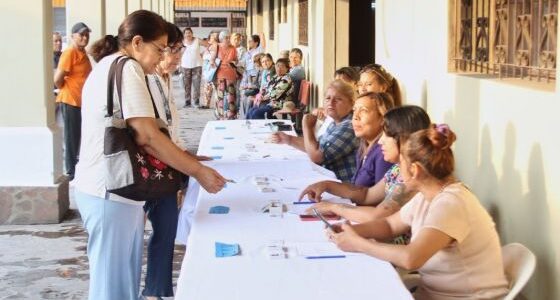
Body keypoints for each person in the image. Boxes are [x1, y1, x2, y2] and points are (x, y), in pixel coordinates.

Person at [76, 10, 226, 300]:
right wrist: (197, 171)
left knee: (122, 283)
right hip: (108, 191)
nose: (162, 57)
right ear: (137, 42)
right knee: (112, 288)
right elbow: (147, 135)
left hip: (118, 193)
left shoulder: (111, 65)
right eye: (159, 49)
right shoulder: (127, 67)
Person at [327, 125, 510, 300]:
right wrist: (348, 230)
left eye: (402, 163)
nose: (398, 168)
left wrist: (358, 244)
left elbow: (410, 258)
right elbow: (389, 225)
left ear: (414, 170)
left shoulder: (451, 203)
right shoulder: (428, 195)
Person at [301, 106, 431, 224]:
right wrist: (327, 185)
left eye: (386, 135)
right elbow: (367, 195)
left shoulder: (413, 177)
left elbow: (378, 216)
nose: (380, 141)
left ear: (403, 139)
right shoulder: (397, 169)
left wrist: (334, 208)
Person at [271, 80, 358, 182]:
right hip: (327, 180)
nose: (331, 103)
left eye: (338, 99)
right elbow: (317, 146)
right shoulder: (335, 122)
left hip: (341, 187)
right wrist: (288, 139)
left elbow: (317, 156)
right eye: (328, 98)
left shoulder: (349, 126)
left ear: (352, 103)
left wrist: (307, 127)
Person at [54, 22, 92, 180]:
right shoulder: (70, 53)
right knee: (71, 137)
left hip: (80, 101)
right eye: (81, 35)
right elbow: (57, 79)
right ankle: (71, 171)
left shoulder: (82, 53)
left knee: (78, 136)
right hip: (70, 100)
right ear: (72, 36)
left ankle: (77, 167)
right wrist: (67, 88)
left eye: (86, 35)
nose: (84, 37)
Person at [351, 92, 395, 187]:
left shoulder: (384, 152)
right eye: (354, 110)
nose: (355, 116)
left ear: (383, 118)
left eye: (363, 110)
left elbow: (380, 199)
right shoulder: (363, 147)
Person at [211, 30, 238, 119]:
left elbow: (236, 60)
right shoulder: (217, 46)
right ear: (221, 39)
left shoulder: (233, 48)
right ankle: (220, 115)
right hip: (220, 75)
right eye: (226, 38)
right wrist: (213, 62)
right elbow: (212, 59)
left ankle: (232, 115)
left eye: (229, 37)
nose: (228, 39)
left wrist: (233, 63)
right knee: (220, 96)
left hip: (231, 74)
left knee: (231, 96)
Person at [180, 27, 203, 108]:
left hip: (197, 65)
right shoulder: (181, 42)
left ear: (192, 33)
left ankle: (196, 101)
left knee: (196, 84)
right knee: (186, 84)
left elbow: (208, 45)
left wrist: (203, 54)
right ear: (184, 34)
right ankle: (187, 102)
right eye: (186, 33)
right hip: (185, 66)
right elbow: (178, 52)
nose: (188, 34)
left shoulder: (197, 40)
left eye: (189, 32)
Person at [199, 32, 219, 109]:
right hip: (207, 66)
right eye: (211, 36)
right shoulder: (210, 45)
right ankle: (206, 103)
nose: (212, 38)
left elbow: (214, 54)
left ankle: (212, 103)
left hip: (211, 66)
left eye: (214, 36)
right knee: (207, 85)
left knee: (211, 84)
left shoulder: (215, 45)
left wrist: (212, 60)